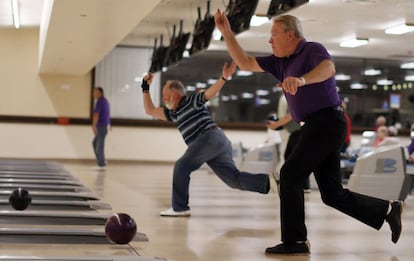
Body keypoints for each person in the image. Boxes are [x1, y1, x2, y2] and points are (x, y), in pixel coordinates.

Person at [214, 11, 402, 255]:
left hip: (327, 122)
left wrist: (301, 80)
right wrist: (227, 33)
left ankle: (295, 241)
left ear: (290, 34)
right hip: (317, 126)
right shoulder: (280, 62)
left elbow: (328, 68)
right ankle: (388, 211)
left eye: (274, 35)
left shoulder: (312, 49)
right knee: (332, 194)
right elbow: (245, 62)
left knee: (290, 174)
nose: (270, 41)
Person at [141, 62, 270, 217]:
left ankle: (180, 208)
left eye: (165, 95)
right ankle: (269, 183)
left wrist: (224, 77)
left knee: (181, 166)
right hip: (217, 142)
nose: (163, 99)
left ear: (176, 94)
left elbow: (210, 93)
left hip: (209, 137)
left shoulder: (191, 101)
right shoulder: (174, 114)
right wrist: (145, 87)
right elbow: (150, 110)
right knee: (233, 180)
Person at [267, 94, 310, 193]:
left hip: (298, 131)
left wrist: (276, 125)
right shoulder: (286, 97)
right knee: (289, 156)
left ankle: (302, 185)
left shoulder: (292, 97)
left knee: (295, 158)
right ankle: (296, 184)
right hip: (294, 132)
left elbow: (290, 116)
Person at [92, 87, 110, 171]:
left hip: (101, 126)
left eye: (95, 92)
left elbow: (96, 114)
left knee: (99, 145)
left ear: (100, 93)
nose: (94, 94)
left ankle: (101, 163)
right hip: (104, 126)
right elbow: (107, 114)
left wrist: (94, 126)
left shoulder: (100, 102)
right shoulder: (105, 101)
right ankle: (101, 161)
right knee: (95, 143)